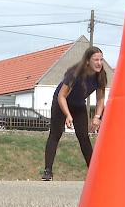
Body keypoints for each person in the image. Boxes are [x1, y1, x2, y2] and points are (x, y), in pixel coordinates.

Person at [41, 46, 107, 181]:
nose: (99, 63)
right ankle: (48, 171)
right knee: (55, 133)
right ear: (88, 61)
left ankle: (94, 172)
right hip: (61, 101)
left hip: (78, 104)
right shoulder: (75, 73)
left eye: (101, 59)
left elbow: (100, 99)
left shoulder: (101, 75)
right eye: (96, 60)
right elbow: (61, 96)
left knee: (83, 137)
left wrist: (97, 117)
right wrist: (68, 115)